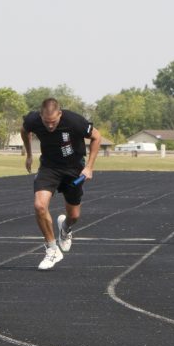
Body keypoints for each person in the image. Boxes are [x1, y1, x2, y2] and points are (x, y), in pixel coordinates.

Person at [20, 98, 101, 270]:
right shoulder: (32, 120)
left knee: (74, 216)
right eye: (46, 122)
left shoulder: (74, 121)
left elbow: (97, 137)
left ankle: (65, 228)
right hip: (49, 167)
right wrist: (29, 155)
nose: (50, 126)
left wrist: (89, 167)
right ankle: (52, 249)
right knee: (39, 206)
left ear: (60, 114)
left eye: (54, 122)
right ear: (40, 116)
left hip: (74, 170)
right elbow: (24, 130)